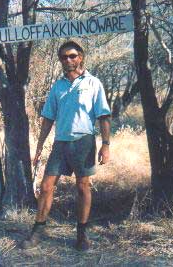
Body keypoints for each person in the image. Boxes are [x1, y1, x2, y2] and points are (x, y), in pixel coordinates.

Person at [21, 41, 111, 251]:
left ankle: (82, 235)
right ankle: (37, 232)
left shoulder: (93, 83)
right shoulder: (58, 86)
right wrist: (39, 147)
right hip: (60, 143)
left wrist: (106, 145)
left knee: (83, 187)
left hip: (84, 142)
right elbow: (47, 118)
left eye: (72, 56)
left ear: (80, 57)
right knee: (46, 187)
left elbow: (104, 116)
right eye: (63, 57)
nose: (67, 60)